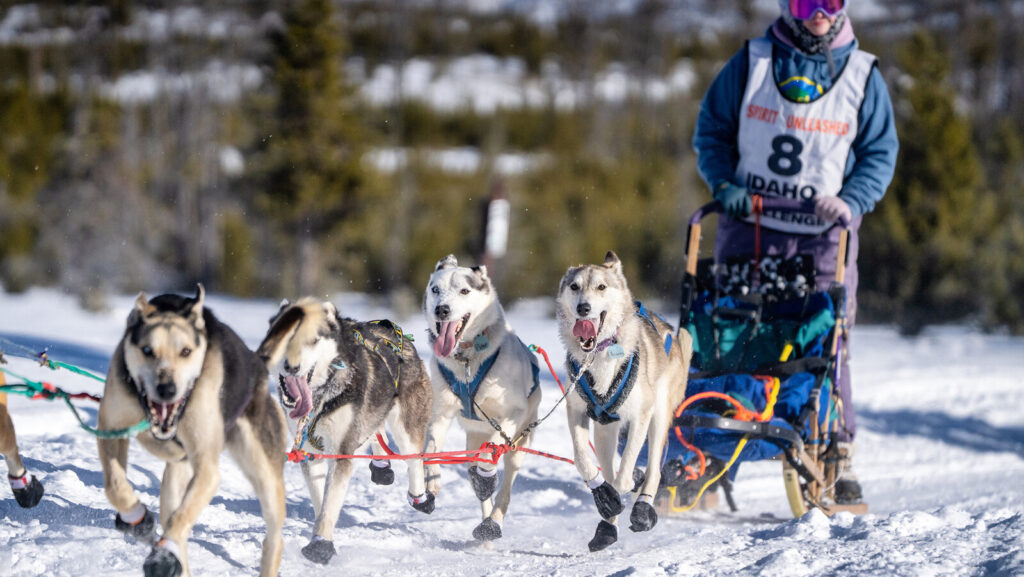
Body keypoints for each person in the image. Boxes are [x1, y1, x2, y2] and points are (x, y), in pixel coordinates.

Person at [692, 0, 898, 504]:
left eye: (830, 2)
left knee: (828, 339)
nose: (818, 13)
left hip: (823, 233)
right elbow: (712, 131)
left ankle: (834, 449)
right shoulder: (752, 61)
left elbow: (879, 152)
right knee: (731, 332)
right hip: (751, 223)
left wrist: (851, 201)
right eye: (806, 2)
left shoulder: (862, 75)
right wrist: (723, 182)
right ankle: (711, 445)